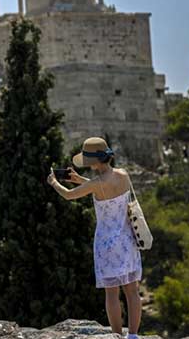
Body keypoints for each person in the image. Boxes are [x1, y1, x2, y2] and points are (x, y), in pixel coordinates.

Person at [46, 137, 142, 339]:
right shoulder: (123, 175)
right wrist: (80, 180)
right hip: (127, 239)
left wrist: (54, 183)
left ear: (94, 162)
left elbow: (70, 195)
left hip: (106, 243)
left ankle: (116, 335)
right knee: (132, 291)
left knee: (112, 293)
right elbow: (103, 186)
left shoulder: (97, 183)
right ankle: (133, 335)